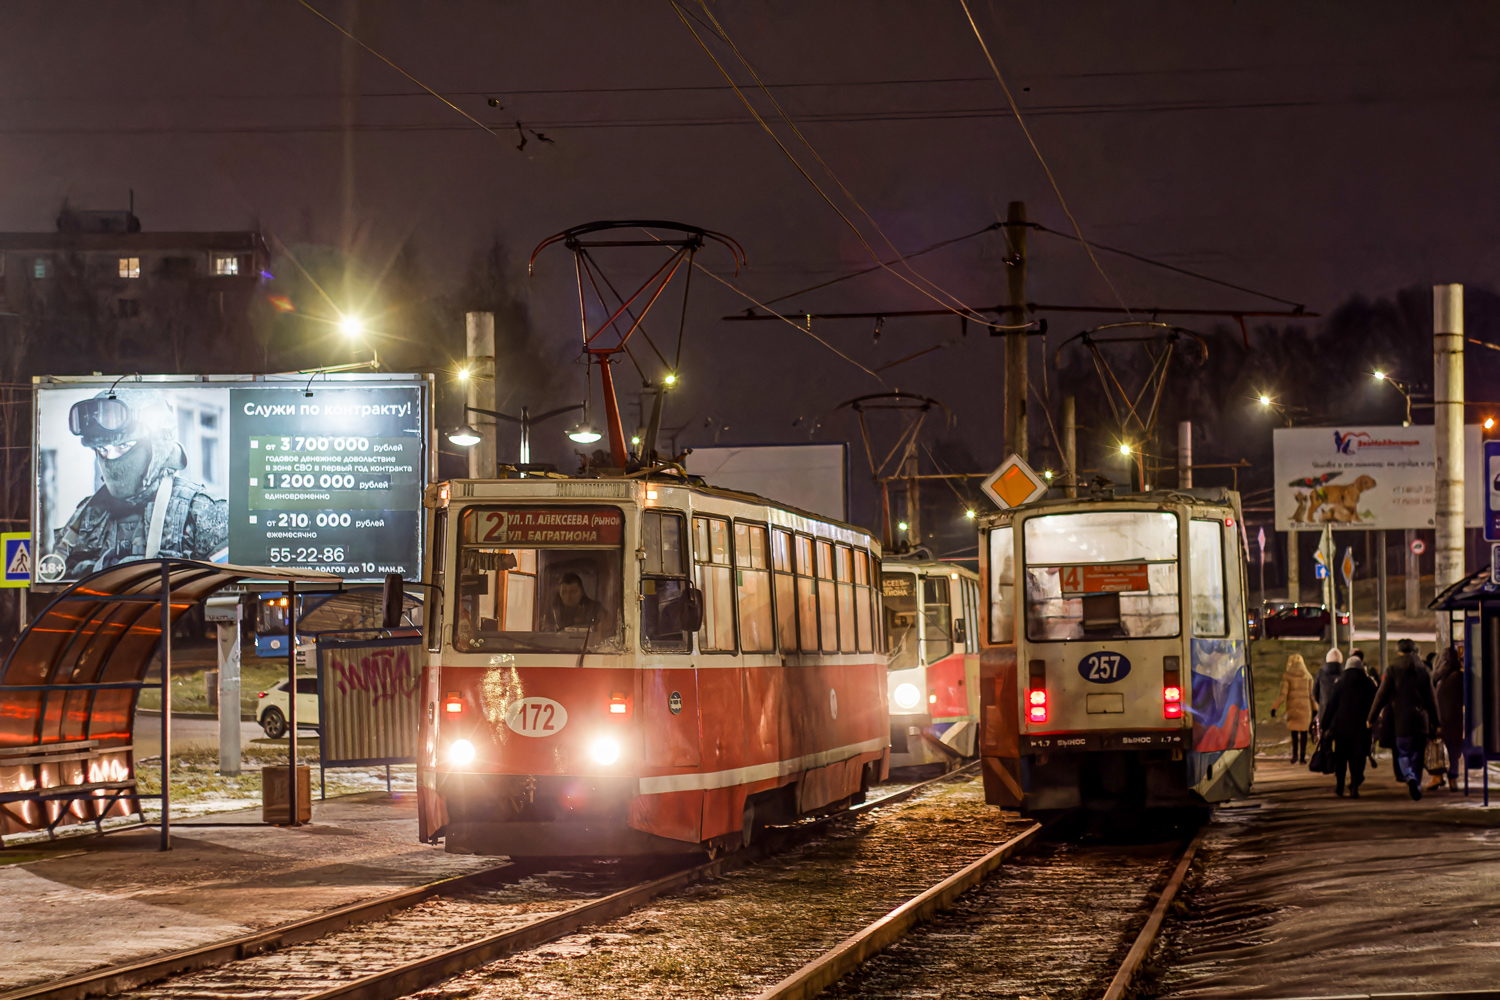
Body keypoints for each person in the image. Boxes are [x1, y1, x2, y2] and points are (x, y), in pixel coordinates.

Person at [52, 389, 228, 577]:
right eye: (102, 449)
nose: (110, 458)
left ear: (156, 446)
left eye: (123, 447)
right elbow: (52, 578)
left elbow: (229, 594)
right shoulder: (86, 515)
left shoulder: (201, 512)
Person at [1369, 637, 1441, 800]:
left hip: (1401, 722)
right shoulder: (1423, 669)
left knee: (1403, 753)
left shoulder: (1393, 669)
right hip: (1420, 722)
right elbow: (1431, 699)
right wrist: (1436, 722)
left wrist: (1371, 718)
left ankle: (1409, 776)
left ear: (1399, 651)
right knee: (1417, 754)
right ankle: (1416, 783)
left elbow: (1381, 696)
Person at [1322, 655, 1378, 797]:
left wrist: (1325, 724)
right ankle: (1354, 786)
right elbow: (1375, 704)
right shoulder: (1368, 683)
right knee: (1358, 758)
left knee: (1341, 758)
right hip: (1362, 727)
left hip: (1341, 728)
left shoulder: (1339, 683)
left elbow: (1331, 706)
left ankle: (1340, 786)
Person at [1430, 645, 1465, 791]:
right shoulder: (1459, 676)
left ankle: (1437, 777)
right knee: (1454, 751)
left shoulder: (1438, 678)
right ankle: (1453, 780)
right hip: (1455, 719)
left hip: (1440, 719)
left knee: (1439, 748)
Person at [1271, 653, 1316, 764]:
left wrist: (1275, 707)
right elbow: (1312, 695)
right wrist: (1316, 709)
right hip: (1306, 708)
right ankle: (1302, 757)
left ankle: (1294, 755)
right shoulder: (1308, 677)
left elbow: (1283, 694)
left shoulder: (1288, 676)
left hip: (1293, 708)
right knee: (1304, 732)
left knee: (1294, 733)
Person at [1315, 647, 1344, 731]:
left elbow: (1315, 692)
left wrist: (1321, 702)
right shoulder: (1344, 674)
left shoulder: (1321, 673)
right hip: (1340, 712)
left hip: (1324, 711)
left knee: (1325, 738)